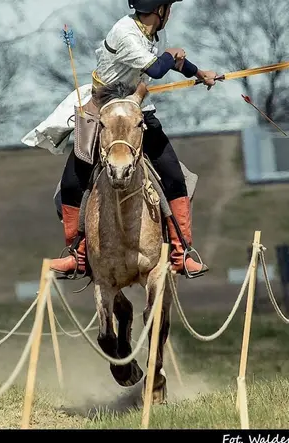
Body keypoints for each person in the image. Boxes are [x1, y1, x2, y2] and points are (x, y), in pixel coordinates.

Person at [47, 0, 218, 280]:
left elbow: (172, 62)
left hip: (138, 113)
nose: (170, 13)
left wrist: (200, 74)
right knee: (71, 182)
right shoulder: (124, 32)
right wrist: (172, 54)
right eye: (168, 7)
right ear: (159, 10)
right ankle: (77, 255)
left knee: (175, 177)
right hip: (104, 113)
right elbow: (156, 69)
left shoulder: (155, 33)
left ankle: (181, 253)